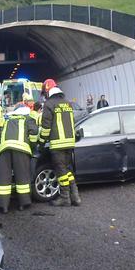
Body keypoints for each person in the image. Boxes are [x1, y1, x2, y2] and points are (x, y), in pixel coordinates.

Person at [40, 79, 81, 207]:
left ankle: (65, 198)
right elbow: (72, 122)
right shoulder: (67, 103)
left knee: (61, 171)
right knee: (68, 170)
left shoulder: (49, 104)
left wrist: (40, 142)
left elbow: (46, 127)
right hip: (69, 142)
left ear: (47, 91)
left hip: (57, 144)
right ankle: (76, 197)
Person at [0, 106, 38, 213]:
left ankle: (3, 206)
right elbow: (34, 133)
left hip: (4, 149)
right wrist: (32, 146)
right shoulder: (28, 119)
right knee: (22, 177)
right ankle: (24, 203)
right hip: (21, 150)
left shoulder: (8, 120)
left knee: (3, 178)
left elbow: (0, 135)